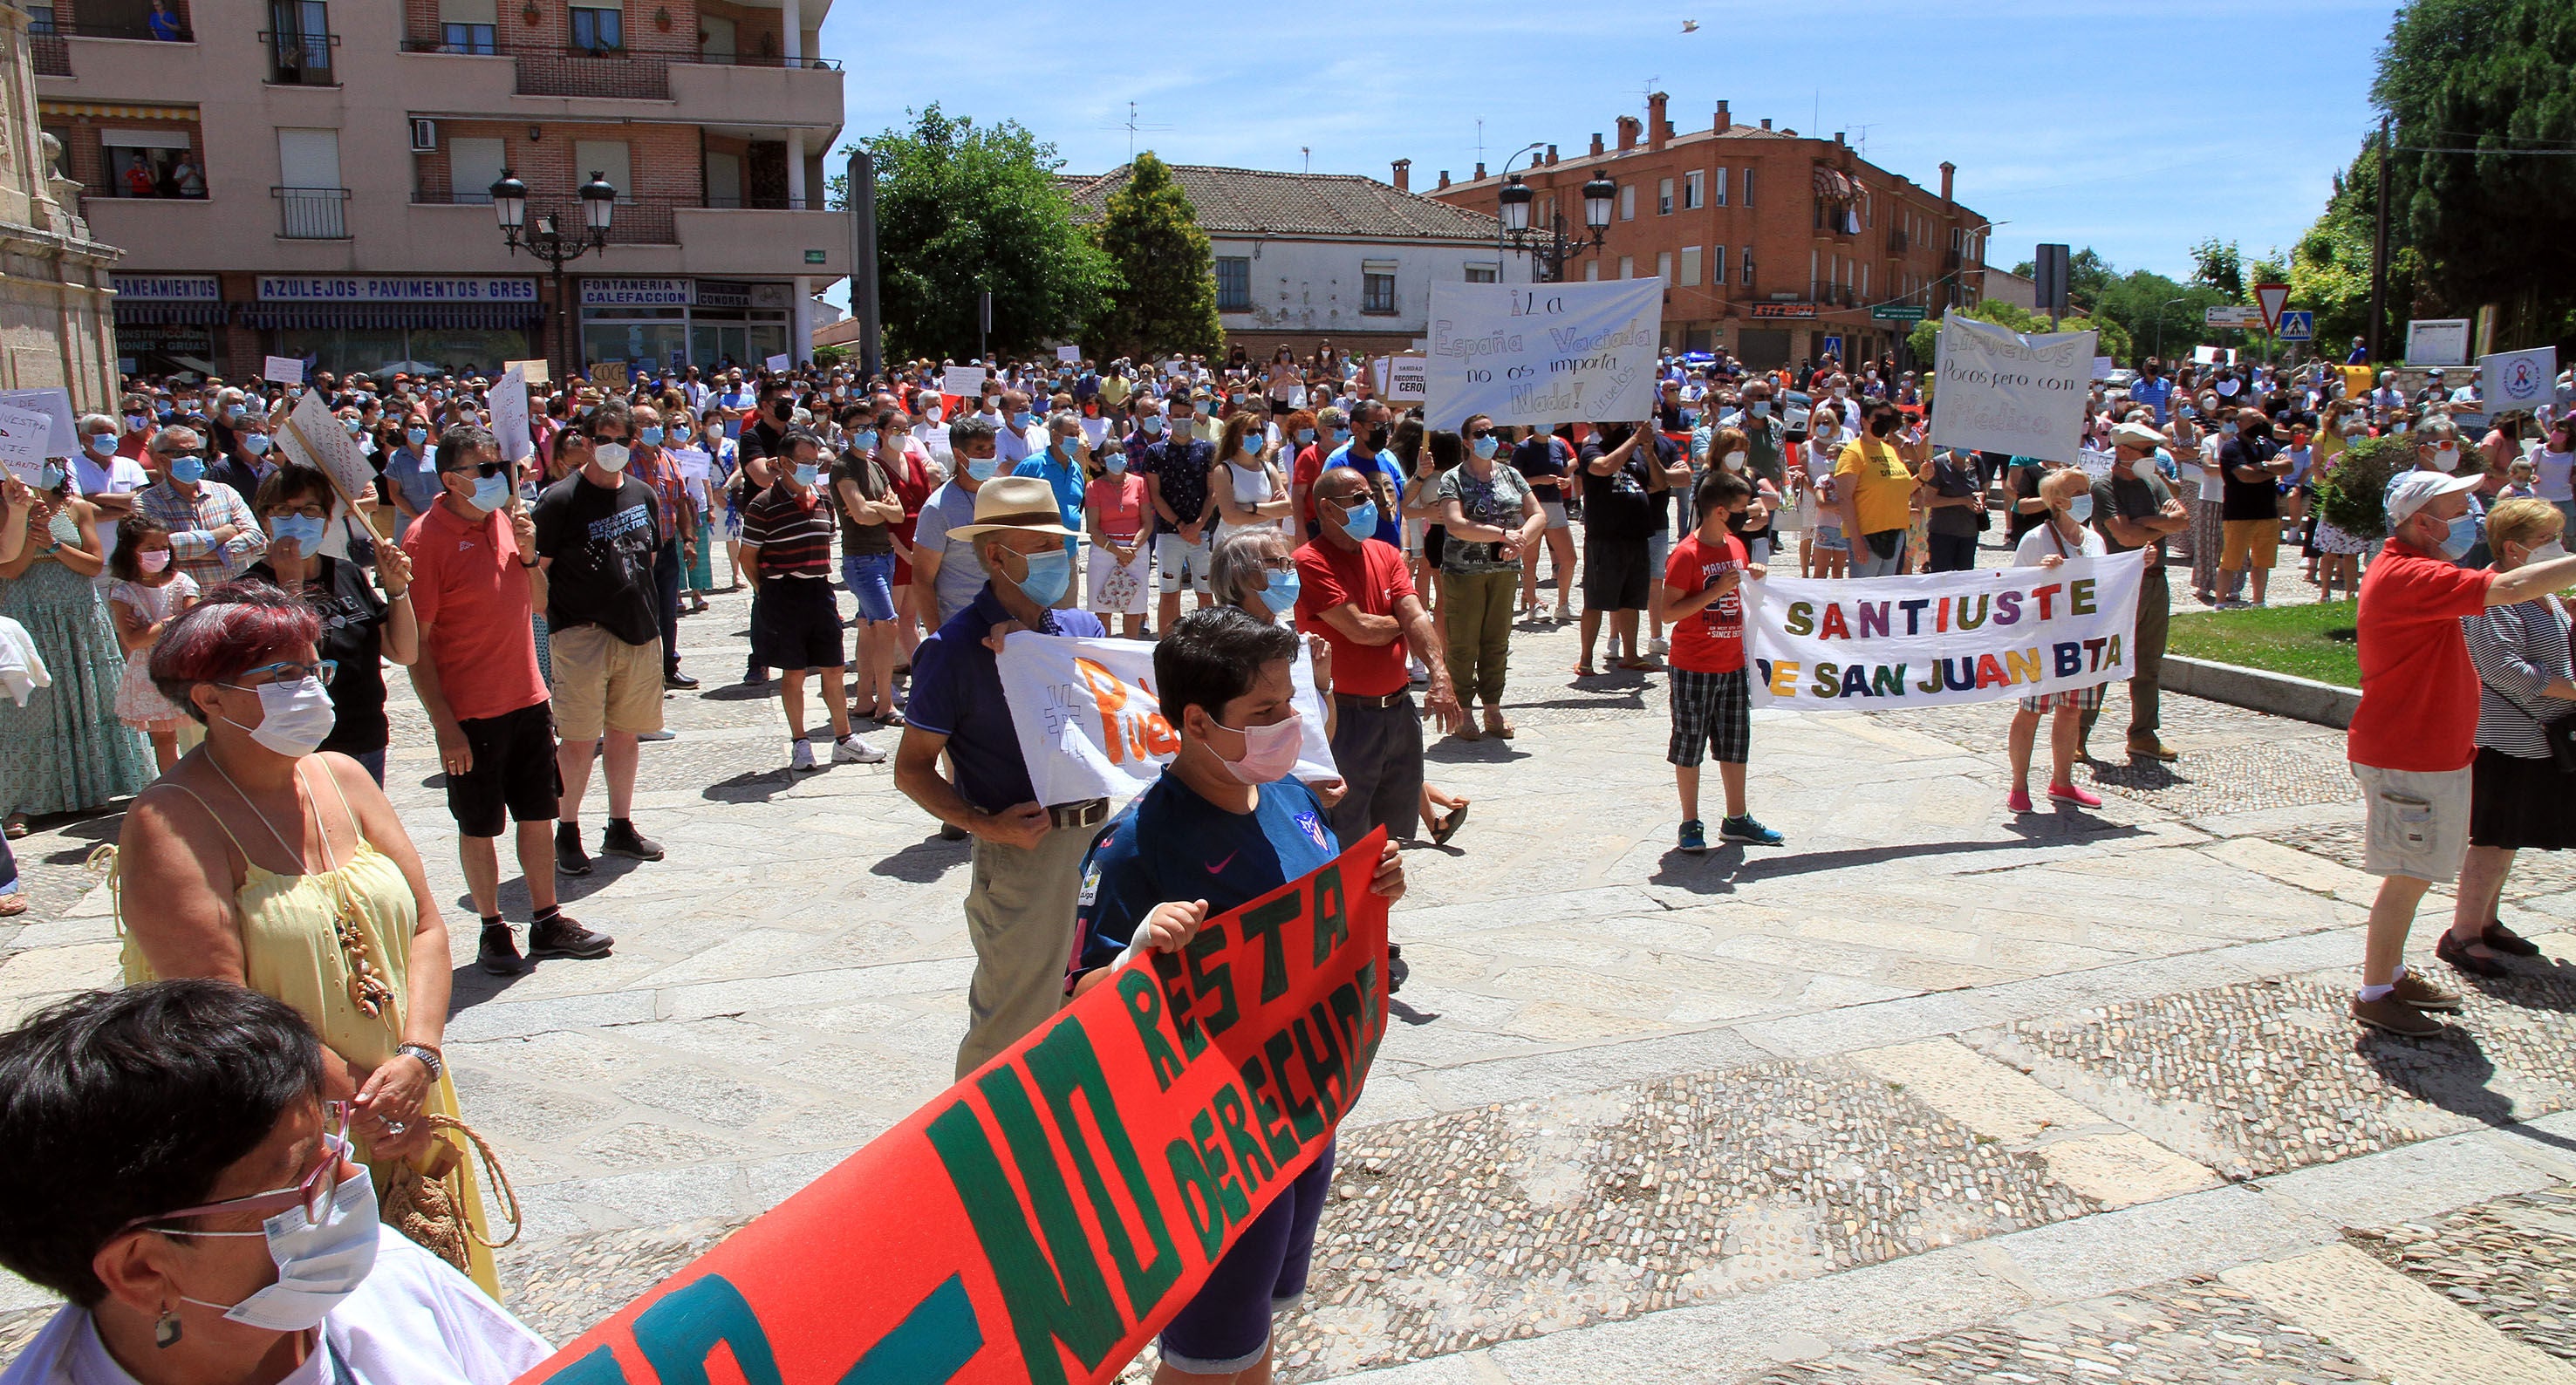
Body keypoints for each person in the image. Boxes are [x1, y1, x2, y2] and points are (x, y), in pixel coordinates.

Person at [113, 588, 510, 1295]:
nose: (308, 687)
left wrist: (420, 1056)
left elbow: (424, 923)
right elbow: (221, 1008)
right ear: (210, 698)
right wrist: (373, 1105)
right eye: (281, 675)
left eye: (310, 669)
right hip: (286, 1113)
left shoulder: (344, 777)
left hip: (404, 1084)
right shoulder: (169, 821)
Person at [1063, 607, 1406, 1385]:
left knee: (1248, 1334)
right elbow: (1078, 1008)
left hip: (1301, 1126)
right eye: (1264, 712)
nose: (1288, 723)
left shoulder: (1287, 797)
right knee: (1206, 1359)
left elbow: (1314, 924)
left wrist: (1370, 894)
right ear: (1195, 720)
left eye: (1289, 703)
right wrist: (1135, 957)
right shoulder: (1131, 849)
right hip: (1210, 1154)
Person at [0, 981, 552, 1385]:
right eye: (300, 1178)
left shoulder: (389, 1279)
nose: (350, 1176)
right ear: (143, 1269)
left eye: (332, 1144)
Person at [2343, 472, 2576, 1036]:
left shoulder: (2419, 570)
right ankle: (2375, 992)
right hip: (2408, 750)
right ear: (2423, 521)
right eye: (2458, 506)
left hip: (2431, 749)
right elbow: (2508, 590)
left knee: (2419, 871)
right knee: (2407, 874)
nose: (2471, 512)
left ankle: (2391, 972)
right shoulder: (2407, 573)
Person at [892, 476, 1105, 1077]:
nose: (1054, 560)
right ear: (994, 556)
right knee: (1012, 1022)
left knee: (1087, 1004)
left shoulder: (1080, 632)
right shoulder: (954, 650)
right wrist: (982, 825)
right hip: (1026, 854)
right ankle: (980, 1157)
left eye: (1058, 546)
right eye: (1035, 548)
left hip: (1097, 844)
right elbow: (911, 769)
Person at [402, 429, 611, 976]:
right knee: (479, 825)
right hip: (471, 711)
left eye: (501, 465)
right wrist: (444, 725)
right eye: (485, 468)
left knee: (538, 815)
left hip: (528, 698)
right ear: (451, 480)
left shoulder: (507, 522)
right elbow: (416, 644)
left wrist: (526, 558)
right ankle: (493, 928)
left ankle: (546, 917)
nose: (500, 477)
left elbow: (539, 605)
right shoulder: (425, 540)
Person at [1295, 466, 1464, 857]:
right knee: (1344, 830)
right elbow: (1360, 628)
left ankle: (1378, 906)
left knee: (1392, 831)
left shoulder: (1386, 553)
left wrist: (1440, 675)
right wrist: (1404, 622)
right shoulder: (1310, 560)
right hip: (1345, 717)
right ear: (1327, 509)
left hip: (1397, 710)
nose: (1370, 505)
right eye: (1357, 499)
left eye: (1369, 496)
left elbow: (1415, 613)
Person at [532, 407, 666, 877]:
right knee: (579, 738)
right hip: (582, 633)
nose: (613, 446)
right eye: (603, 437)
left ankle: (620, 824)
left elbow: (648, 554)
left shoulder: (643, 494)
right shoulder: (559, 500)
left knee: (626, 732)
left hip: (638, 631)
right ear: (586, 441)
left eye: (622, 439)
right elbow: (539, 572)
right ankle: (566, 830)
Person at [2446, 497, 2573, 980]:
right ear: (2515, 549)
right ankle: (2463, 934)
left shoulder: (2544, 593)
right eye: (2547, 540)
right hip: (2506, 737)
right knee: (2494, 838)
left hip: (2541, 737)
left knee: (2511, 837)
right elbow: (2505, 670)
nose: (2558, 548)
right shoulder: (2491, 597)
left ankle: (2486, 920)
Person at [1, 471, 151, 840]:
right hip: (28, 610)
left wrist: (51, 543)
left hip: (78, 612)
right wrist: (23, 523)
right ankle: (23, 800)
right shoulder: (6, 510)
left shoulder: (78, 507)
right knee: (32, 709)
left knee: (91, 698)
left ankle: (93, 788)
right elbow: (10, 568)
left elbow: (94, 565)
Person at [246, 467, 417, 786]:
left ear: (326, 523)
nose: (297, 519)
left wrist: (397, 590)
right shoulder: (248, 590)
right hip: (298, 747)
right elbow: (303, 668)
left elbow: (404, 652)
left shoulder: (347, 573)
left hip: (363, 736)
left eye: (310, 510)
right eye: (284, 509)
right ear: (266, 520)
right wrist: (291, 587)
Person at [740, 429, 884, 771]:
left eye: (814, 461)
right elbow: (748, 557)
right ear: (784, 462)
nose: (810, 467)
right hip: (783, 593)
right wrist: (766, 591)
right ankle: (800, 742)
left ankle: (844, 739)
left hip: (820, 592)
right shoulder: (763, 505)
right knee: (793, 673)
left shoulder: (822, 498)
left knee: (833, 667)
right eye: (804, 461)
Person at [1663, 469, 1781, 852]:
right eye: (1741, 509)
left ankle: (1737, 818)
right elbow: (1668, 613)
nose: (1750, 515)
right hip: (1693, 665)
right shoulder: (1686, 554)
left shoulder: (1735, 545)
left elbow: (1744, 596)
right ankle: (1689, 820)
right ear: (1719, 510)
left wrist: (1756, 576)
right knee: (1689, 745)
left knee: (1735, 745)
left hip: (1732, 664)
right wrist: (1713, 592)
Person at [2006, 470, 2112, 811]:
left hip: (2082, 641)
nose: (2085, 497)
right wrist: (2042, 573)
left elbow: (2105, 584)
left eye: (2086, 490)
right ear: (2057, 501)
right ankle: (2019, 785)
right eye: (2076, 491)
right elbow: (2013, 592)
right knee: (2032, 711)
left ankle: (2062, 782)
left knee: (2071, 712)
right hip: (2044, 641)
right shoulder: (2036, 539)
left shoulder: (2094, 539)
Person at [2086, 422, 2189, 761]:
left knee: (2148, 663)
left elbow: (2182, 519)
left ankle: (2143, 734)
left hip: (2155, 581)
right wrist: (2159, 522)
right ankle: (2078, 734)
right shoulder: (2104, 487)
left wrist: (2141, 522)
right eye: (2147, 451)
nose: (2153, 458)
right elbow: (2125, 537)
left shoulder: (2153, 482)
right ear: (2125, 452)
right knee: (2103, 661)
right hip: (2119, 584)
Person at [1435, 415, 1541, 740]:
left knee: (1497, 641)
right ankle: (1463, 710)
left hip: (1505, 571)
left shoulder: (1511, 475)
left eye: (1492, 432)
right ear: (1466, 441)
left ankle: (1493, 707)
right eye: (1480, 433)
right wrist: (1502, 535)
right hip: (1465, 571)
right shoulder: (1453, 478)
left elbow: (1538, 514)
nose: (1488, 438)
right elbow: (1455, 523)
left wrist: (1521, 539)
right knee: (1464, 642)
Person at [107, 513, 201, 774]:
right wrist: (173, 621)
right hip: (150, 672)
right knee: (164, 737)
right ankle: (174, 788)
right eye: (150, 548)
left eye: (163, 547)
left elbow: (191, 623)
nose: (159, 553)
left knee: (202, 726)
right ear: (130, 552)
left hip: (184, 666)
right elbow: (134, 640)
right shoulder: (124, 592)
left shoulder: (182, 582)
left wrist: (156, 627)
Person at [831, 411, 907, 724]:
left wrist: (875, 507)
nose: (865, 432)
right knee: (887, 624)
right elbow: (860, 514)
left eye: (868, 426)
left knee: (867, 625)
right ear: (847, 433)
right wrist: (880, 508)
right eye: (858, 427)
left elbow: (899, 514)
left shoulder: (875, 467)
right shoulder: (843, 466)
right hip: (861, 558)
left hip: (883, 554)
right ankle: (885, 703)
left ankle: (865, 699)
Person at [1575, 421, 1669, 673]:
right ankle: (1585, 660)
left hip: (1637, 536)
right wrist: (1635, 440)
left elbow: (1660, 483)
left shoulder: (1638, 454)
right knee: (1595, 600)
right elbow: (1604, 468)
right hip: (1605, 537)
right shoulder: (1592, 451)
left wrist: (1648, 453)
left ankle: (1630, 655)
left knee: (1631, 599)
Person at [135, 426, 269, 589]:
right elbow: (163, 547)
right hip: (186, 601)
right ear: (161, 459)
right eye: (180, 453)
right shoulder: (146, 502)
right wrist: (221, 534)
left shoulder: (224, 492)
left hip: (233, 596)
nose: (191, 458)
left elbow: (257, 539)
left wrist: (218, 553)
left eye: (196, 452)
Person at [913, 415, 1002, 629]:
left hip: (1006, 622)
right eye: (980, 449)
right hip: (961, 624)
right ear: (958, 454)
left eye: (991, 448)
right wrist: (937, 637)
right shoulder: (938, 509)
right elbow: (922, 580)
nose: (988, 455)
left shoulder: (1003, 495)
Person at [1145, 394, 1217, 634]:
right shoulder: (1155, 452)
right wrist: (1180, 525)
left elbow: (1212, 492)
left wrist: (1197, 525)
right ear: (1169, 418)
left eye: (1187, 416)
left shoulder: (1207, 450)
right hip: (1169, 533)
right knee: (1169, 592)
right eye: (1177, 416)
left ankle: (1207, 642)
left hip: (1202, 534)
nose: (1182, 420)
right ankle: (1168, 644)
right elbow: (1155, 494)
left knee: (1206, 593)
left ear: (1193, 415)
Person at [1014, 411, 1092, 610]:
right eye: (1071, 434)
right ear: (1056, 436)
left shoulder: (1076, 468)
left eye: (1078, 434)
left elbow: (1076, 505)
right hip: (1037, 555)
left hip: (1068, 554)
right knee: (1034, 614)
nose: (1076, 439)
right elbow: (1011, 500)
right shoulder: (1033, 466)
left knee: (1066, 616)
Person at [2217, 407, 2292, 608]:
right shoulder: (2232, 448)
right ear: (2240, 423)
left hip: (2267, 512)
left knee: (2263, 562)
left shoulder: (2267, 444)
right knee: (2230, 561)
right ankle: (2220, 602)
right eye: (2254, 420)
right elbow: (2245, 476)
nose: (2260, 423)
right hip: (2239, 513)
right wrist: (2271, 471)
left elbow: (2288, 466)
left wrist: (2263, 467)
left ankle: (2259, 601)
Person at [1836, 401, 1919, 577]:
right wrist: (1856, 540)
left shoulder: (1890, 450)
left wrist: (1921, 479)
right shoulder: (1853, 453)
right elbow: (1844, 498)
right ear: (1865, 421)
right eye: (1879, 417)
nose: (1884, 422)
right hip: (1867, 535)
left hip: (1895, 534)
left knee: (1885, 596)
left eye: (1887, 418)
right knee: (1864, 596)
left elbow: (1900, 489)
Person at [1084, 429, 1152, 638]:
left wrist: (1131, 549)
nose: (1118, 457)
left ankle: (1129, 651)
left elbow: (1147, 522)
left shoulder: (1139, 483)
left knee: (1133, 608)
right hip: (1105, 550)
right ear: (1102, 461)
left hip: (1136, 550)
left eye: (1120, 452)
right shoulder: (1093, 487)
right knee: (1102, 609)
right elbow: (1093, 527)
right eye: (1111, 454)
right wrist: (1116, 550)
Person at [1509, 423, 1580, 620]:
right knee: (1530, 560)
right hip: (1530, 507)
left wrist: (1565, 482)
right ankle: (1533, 605)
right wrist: (1539, 479)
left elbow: (1565, 471)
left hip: (1555, 504)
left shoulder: (1558, 445)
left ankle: (1563, 604)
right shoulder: (1523, 448)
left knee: (1569, 558)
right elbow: (1514, 480)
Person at [1918, 446, 1985, 572]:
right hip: (1943, 532)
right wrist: (1962, 501)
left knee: (1963, 580)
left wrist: (1980, 498)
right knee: (1942, 578)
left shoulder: (1977, 461)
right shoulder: (1939, 464)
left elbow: (1983, 489)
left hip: (1969, 532)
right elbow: (1929, 500)